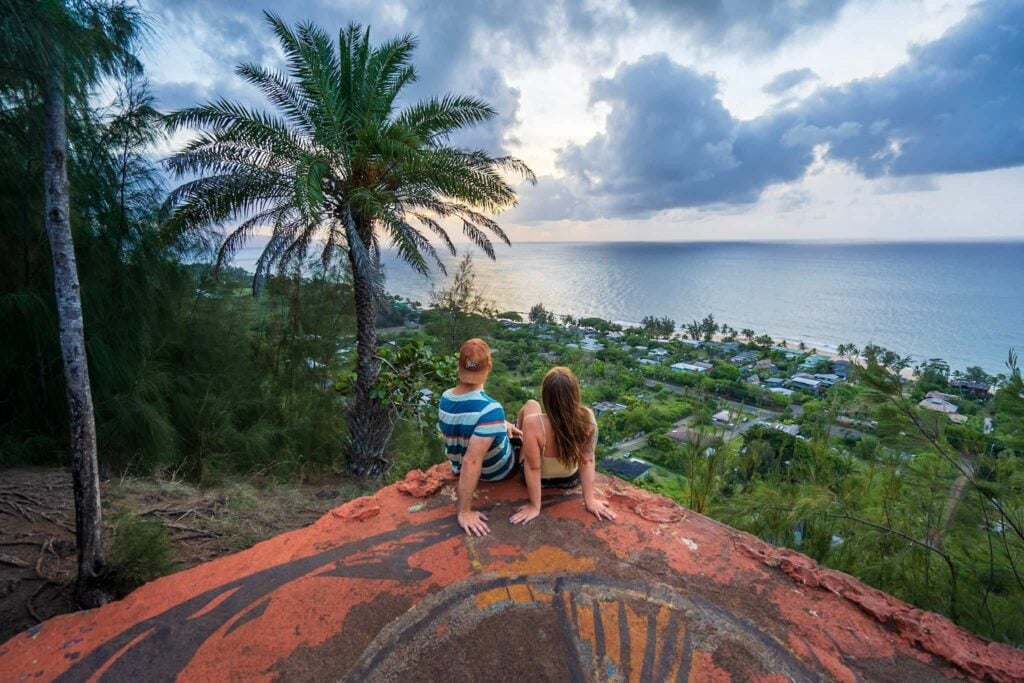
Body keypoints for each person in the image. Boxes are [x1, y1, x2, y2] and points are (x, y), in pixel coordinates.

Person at [510, 366, 616, 525]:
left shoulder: (532, 423)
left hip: (541, 480)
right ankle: (522, 434)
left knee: (531, 405)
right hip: (570, 480)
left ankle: (517, 432)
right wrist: (590, 501)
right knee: (533, 413)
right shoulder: (587, 417)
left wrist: (535, 506)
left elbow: (533, 468)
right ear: (575, 394)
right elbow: (587, 460)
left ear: (546, 396)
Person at [438, 339, 522, 536]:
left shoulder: (445, 397)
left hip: (456, 465)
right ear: (489, 366)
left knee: (509, 428)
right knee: (529, 418)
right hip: (496, 471)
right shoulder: (491, 408)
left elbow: (465, 424)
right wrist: (464, 511)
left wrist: (502, 424)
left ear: (460, 365)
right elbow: (472, 461)